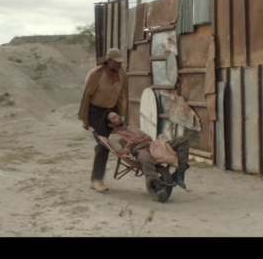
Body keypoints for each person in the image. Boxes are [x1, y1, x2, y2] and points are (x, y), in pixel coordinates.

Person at [103, 110, 190, 202]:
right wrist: (133, 145)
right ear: (110, 125)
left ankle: (179, 173)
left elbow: (149, 137)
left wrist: (137, 141)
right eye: (114, 118)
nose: (118, 117)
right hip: (139, 150)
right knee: (146, 158)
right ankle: (157, 187)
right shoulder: (113, 138)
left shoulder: (132, 128)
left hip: (153, 145)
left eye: (117, 115)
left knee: (182, 140)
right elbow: (122, 153)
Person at [78, 48, 128, 193]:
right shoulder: (96, 74)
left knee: (107, 143)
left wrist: (121, 116)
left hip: (110, 112)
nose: (119, 65)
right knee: (104, 143)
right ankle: (96, 180)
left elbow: (121, 97)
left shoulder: (122, 76)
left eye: (120, 62)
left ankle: (96, 177)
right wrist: (85, 119)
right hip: (95, 111)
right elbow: (86, 96)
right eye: (116, 62)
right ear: (109, 60)